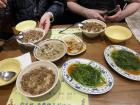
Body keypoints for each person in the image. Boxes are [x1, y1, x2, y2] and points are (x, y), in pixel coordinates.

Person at [0, 0, 66, 34]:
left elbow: (59, 3)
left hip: (48, 28)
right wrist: (2, 9)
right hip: (22, 33)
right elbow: (5, 20)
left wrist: (49, 13)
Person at [65, 0, 140, 23]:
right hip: (83, 22)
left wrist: (122, 15)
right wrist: (85, 11)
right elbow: (70, 2)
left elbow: (136, 2)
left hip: (115, 25)